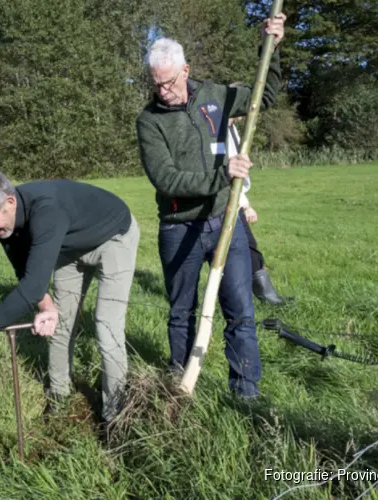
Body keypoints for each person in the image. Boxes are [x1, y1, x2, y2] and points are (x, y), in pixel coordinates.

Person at [135, 14, 286, 398]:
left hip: (225, 222)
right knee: (181, 313)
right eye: (156, 84)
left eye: (168, 82)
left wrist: (273, 47)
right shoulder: (149, 121)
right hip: (178, 227)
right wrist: (223, 176)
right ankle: (178, 387)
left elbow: (262, 96)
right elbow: (167, 179)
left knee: (240, 310)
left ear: (185, 70)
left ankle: (246, 392)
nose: (162, 91)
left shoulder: (213, 96)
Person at [0, 167, 140, 425]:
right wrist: (48, 308)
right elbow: (26, 273)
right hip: (69, 244)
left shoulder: (46, 211)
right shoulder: (5, 224)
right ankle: (58, 394)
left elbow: (31, 289)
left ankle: (115, 413)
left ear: (9, 202)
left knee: (106, 326)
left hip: (113, 236)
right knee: (61, 322)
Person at [226, 117, 294, 306]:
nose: (241, 116)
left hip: (235, 200)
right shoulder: (215, 130)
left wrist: (245, 204)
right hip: (221, 202)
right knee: (243, 248)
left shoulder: (232, 130)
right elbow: (226, 173)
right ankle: (263, 297)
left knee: (249, 246)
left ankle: (265, 296)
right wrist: (243, 204)